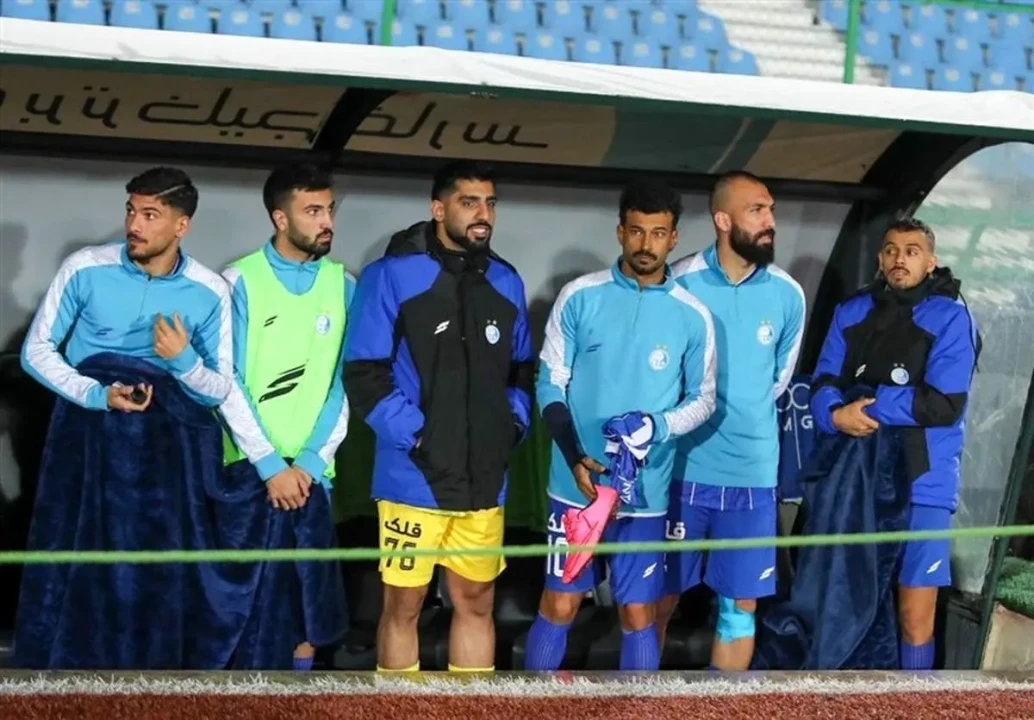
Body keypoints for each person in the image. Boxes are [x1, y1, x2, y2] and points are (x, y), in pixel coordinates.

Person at [15, 167, 235, 669]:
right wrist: (96, 394)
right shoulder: (84, 267)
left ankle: (148, 677)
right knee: (72, 556)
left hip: (164, 452)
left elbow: (220, 387)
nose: (135, 224)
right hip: (84, 438)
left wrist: (184, 362)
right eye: (132, 211)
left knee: (150, 568)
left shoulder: (209, 290)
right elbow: (36, 351)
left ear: (181, 225)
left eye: (151, 215)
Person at [344, 160, 533, 673]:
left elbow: (521, 370)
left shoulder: (506, 280)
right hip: (414, 478)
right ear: (438, 208)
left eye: (489, 203)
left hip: (483, 481)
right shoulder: (390, 275)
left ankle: (470, 708)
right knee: (403, 607)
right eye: (469, 202)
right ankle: (398, 708)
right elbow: (364, 374)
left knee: (476, 603)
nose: (482, 214)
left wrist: (510, 427)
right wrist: (421, 438)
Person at [525, 179, 717, 672]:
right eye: (636, 231)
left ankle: (638, 707)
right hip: (575, 489)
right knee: (560, 604)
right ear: (620, 232)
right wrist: (574, 457)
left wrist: (657, 426)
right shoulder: (579, 296)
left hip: (645, 494)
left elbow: (703, 400)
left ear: (674, 238)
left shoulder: (693, 316)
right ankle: (532, 706)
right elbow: (550, 384)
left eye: (658, 233)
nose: (646, 244)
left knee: (638, 614)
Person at [809, 217, 979, 670]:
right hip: (854, 485)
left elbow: (943, 403)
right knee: (845, 610)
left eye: (911, 251)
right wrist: (834, 414)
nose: (899, 259)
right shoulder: (851, 311)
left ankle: (915, 701)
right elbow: (822, 381)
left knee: (913, 616)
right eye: (890, 250)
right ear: (880, 259)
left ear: (931, 261)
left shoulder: (952, 317)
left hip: (924, 484)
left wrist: (869, 404)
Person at [658, 170, 806, 671]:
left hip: (752, 477)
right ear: (723, 220)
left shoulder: (788, 293)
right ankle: (639, 703)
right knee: (656, 601)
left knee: (739, 610)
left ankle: (720, 706)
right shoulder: (678, 282)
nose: (770, 221)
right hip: (682, 473)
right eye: (756, 211)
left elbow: (776, 382)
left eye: (771, 210)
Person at [217, 162, 351, 670]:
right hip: (248, 473)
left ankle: (297, 700)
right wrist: (271, 464)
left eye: (329, 210)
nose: (326, 222)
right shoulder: (238, 280)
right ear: (280, 218)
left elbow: (344, 384)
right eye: (313, 211)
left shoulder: (344, 284)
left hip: (314, 477)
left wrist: (310, 463)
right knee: (245, 613)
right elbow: (227, 382)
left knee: (305, 614)